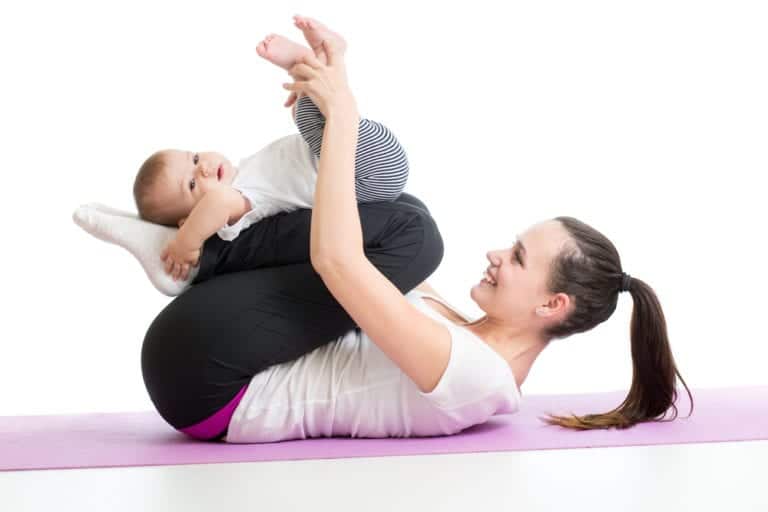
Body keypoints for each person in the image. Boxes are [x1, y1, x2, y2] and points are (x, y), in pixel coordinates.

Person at [141, 16, 694, 444]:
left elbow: (337, 261)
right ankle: (214, 230)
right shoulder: (456, 324)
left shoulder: (477, 377)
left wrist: (344, 115)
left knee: (415, 234)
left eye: (519, 258)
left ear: (552, 305)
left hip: (208, 385)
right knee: (406, 216)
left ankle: (209, 245)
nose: (497, 254)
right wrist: (331, 92)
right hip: (210, 352)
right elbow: (354, 218)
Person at [131, 15, 409, 284]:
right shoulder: (240, 202)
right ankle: (317, 58)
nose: (202, 168)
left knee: (309, 109)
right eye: (191, 184)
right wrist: (186, 243)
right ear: (189, 218)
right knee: (308, 112)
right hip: (366, 176)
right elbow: (216, 203)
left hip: (366, 159)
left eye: (194, 158)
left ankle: (320, 59)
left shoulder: (247, 171)